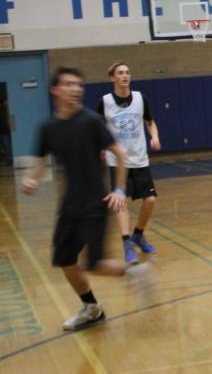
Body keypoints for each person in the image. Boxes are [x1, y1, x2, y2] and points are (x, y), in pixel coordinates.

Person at [21, 67, 152, 331]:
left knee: (95, 264)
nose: (75, 89)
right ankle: (92, 308)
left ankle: (135, 273)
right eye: (68, 84)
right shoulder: (49, 127)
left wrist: (119, 190)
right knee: (65, 260)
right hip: (69, 206)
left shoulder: (91, 120)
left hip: (95, 203)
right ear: (55, 90)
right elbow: (40, 161)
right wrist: (31, 177)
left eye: (78, 84)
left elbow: (118, 153)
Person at [97, 62, 160, 265]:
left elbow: (150, 121)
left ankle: (138, 235)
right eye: (120, 73)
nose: (125, 76)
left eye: (127, 73)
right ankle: (126, 243)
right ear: (112, 78)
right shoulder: (105, 102)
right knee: (120, 202)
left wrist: (154, 136)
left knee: (150, 200)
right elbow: (98, 129)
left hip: (140, 157)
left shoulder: (141, 98)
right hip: (118, 161)